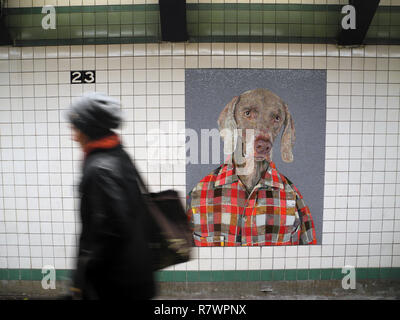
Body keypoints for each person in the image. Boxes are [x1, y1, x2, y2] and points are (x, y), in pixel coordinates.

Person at [67, 92, 155, 300]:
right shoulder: (119, 155)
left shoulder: (99, 169)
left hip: (116, 285)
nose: (72, 135)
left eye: (75, 128)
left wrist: (83, 280)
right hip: (137, 273)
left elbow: (111, 232)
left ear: (88, 129)